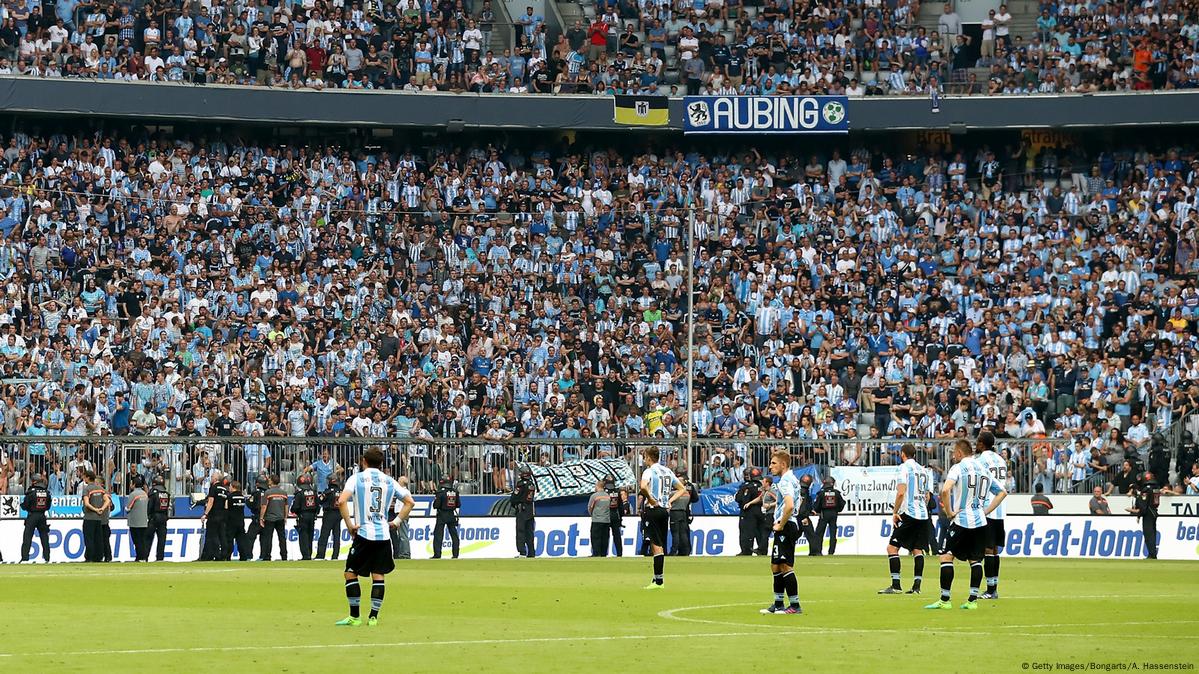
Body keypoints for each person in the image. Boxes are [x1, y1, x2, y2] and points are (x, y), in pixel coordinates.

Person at [335, 447, 415, 626]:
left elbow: (341, 501)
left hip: (363, 533)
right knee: (378, 574)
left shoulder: (356, 478)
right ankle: (373, 617)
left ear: (364, 461)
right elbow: (410, 502)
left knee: (350, 573)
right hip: (383, 535)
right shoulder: (389, 481)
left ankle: (355, 617)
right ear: (381, 463)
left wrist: (349, 525)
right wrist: (397, 521)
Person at [925, 439, 1007, 610]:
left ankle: (945, 600)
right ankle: (972, 600)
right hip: (980, 521)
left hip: (961, 520)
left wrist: (948, 512)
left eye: (955, 453)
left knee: (947, 556)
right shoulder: (984, 469)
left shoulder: (958, 467)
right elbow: (1002, 493)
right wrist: (985, 511)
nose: (954, 456)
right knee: (975, 560)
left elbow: (945, 490)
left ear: (960, 453)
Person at [879, 443, 931, 595]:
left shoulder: (903, 468)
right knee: (917, 550)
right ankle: (916, 586)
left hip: (909, 513)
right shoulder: (923, 470)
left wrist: (895, 512)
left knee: (892, 548)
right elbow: (927, 496)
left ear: (902, 454)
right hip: (923, 515)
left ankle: (896, 585)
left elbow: (901, 492)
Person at [760, 449, 803, 615]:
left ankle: (795, 605)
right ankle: (778, 603)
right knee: (775, 565)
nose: (770, 467)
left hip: (786, 525)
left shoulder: (785, 481)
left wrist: (781, 523)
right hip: (787, 524)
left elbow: (790, 505)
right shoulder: (792, 479)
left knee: (785, 565)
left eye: (773, 463)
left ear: (783, 464)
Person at [638, 446, 684, 589]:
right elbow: (682, 488)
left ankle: (659, 582)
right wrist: (670, 501)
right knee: (659, 545)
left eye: (645, 456)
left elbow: (643, 487)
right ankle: (656, 578)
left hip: (653, 510)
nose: (644, 459)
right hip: (664, 511)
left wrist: (651, 499)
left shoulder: (649, 471)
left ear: (649, 457)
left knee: (656, 546)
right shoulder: (667, 471)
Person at [974, 431, 1007, 599]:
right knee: (994, 550)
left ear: (982, 444)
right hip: (1000, 509)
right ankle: (994, 588)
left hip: (987, 507)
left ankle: (990, 589)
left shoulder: (980, 460)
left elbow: (981, 483)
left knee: (987, 549)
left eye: (978, 441)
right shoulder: (1001, 459)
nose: (976, 444)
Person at [1127, 471, 1160, 559]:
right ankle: (1153, 553)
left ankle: (1152, 554)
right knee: (1152, 533)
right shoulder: (1156, 488)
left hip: (1148, 513)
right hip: (1154, 511)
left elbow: (1143, 506)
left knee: (1148, 534)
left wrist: (1138, 514)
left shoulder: (1146, 489)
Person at [20, 473, 51, 563]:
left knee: (27, 537)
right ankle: (47, 558)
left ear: (34, 481)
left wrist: (26, 507)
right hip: (42, 516)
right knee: (44, 537)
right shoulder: (46, 492)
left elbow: (25, 505)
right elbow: (48, 506)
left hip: (32, 515)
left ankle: (25, 558)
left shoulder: (31, 492)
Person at [669, 468, 700, 556]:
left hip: (675, 511)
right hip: (685, 511)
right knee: (684, 532)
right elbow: (695, 498)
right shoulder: (689, 488)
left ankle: (674, 551)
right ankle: (686, 551)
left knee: (675, 533)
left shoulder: (674, 488)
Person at [199, 469, 229, 561]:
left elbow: (210, 501)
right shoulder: (224, 489)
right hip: (222, 515)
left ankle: (214, 555)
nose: (211, 478)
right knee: (222, 536)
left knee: (212, 536)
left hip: (214, 515)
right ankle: (223, 554)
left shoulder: (214, 487)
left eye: (212, 477)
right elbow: (226, 504)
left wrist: (205, 514)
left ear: (216, 479)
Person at [812, 477, 846, 555]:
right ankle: (831, 552)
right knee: (833, 534)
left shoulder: (821, 493)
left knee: (819, 533)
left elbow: (816, 505)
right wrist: (837, 510)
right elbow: (842, 503)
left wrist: (818, 511)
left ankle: (818, 551)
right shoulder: (836, 493)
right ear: (832, 483)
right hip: (834, 514)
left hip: (824, 513)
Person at [258, 474, 289, 561]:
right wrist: (285, 517)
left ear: (271, 481)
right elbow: (286, 506)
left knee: (268, 538)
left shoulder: (268, 492)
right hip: (280, 518)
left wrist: (261, 518)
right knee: (282, 538)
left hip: (269, 518)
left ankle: (267, 556)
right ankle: (284, 556)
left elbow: (264, 506)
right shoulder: (284, 493)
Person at [81, 470, 110, 563]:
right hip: (99, 518)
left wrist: (95, 509)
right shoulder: (101, 489)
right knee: (98, 539)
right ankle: (99, 557)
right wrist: (101, 509)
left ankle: (89, 557)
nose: (84, 479)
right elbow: (107, 500)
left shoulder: (87, 489)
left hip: (89, 517)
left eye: (84, 477)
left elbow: (86, 503)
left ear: (88, 478)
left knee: (89, 538)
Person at [735, 468, 765, 555]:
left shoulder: (746, 486)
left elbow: (740, 499)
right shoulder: (763, 486)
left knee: (746, 532)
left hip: (748, 512)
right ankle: (762, 550)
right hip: (761, 511)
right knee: (761, 532)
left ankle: (746, 551)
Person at [291, 474, 319, 560]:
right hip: (312, 516)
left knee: (303, 535)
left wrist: (294, 511)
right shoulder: (313, 491)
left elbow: (295, 507)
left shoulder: (299, 492)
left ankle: (305, 555)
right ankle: (309, 554)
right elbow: (318, 505)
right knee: (310, 535)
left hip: (303, 516)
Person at [510, 465, 536, 558]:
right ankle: (531, 552)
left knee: (520, 531)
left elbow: (514, 498)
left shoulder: (520, 484)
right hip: (530, 510)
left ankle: (522, 552)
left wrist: (514, 503)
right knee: (530, 533)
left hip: (522, 510)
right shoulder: (532, 484)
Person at [432, 475, 460, 559]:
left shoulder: (440, 493)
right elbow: (458, 504)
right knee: (454, 535)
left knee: (438, 535)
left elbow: (436, 505)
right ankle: (455, 554)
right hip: (451, 514)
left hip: (442, 514)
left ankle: (437, 554)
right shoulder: (455, 492)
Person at [317, 475, 343, 560]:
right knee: (336, 536)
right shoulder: (341, 492)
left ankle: (320, 555)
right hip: (339, 514)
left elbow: (319, 500)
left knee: (324, 535)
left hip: (329, 514)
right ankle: (335, 555)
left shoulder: (328, 492)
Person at [241, 476, 266, 561]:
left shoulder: (256, 493)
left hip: (257, 518)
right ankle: (264, 556)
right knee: (264, 539)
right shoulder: (268, 492)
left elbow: (249, 503)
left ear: (257, 484)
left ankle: (248, 556)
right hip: (267, 518)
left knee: (250, 538)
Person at [147, 475, 171, 561]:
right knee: (162, 540)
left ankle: (145, 557)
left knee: (148, 539)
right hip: (163, 519)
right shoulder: (166, 494)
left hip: (154, 518)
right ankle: (160, 558)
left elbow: (149, 507)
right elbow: (168, 508)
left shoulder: (153, 493)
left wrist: (149, 516)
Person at [125, 475, 150, 562]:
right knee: (142, 540)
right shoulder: (145, 494)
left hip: (135, 522)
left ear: (134, 484)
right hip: (144, 521)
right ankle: (143, 557)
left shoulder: (133, 494)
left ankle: (140, 557)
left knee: (136, 541)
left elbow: (128, 508)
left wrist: (126, 508)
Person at [588, 479, 613, 557]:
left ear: (597, 486)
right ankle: (603, 553)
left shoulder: (594, 496)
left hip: (597, 520)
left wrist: (592, 514)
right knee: (605, 538)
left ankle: (596, 553)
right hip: (606, 520)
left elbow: (590, 507)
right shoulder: (607, 496)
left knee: (595, 537)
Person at [390, 476, 413, 560]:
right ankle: (403, 553)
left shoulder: (404, 492)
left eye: (399, 480)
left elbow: (404, 506)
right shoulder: (403, 491)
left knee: (403, 535)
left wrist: (400, 516)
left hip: (402, 515)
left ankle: (405, 554)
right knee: (401, 535)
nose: (397, 481)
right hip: (401, 515)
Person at [797, 474, 819, 555]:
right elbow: (802, 505)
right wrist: (805, 514)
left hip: (798, 516)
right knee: (811, 534)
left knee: (796, 535)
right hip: (802, 517)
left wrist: (810, 510)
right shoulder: (804, 491)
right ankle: (815, 552)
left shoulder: (800, 490)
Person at [607, 476, 629, 556]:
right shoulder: (617, 491)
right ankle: (619, 553)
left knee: (605, 536)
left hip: (607, 516)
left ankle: (603, 553)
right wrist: (621, 517)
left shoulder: (605, 492)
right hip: (616, 516)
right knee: (617, 536)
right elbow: (620, 506)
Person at [226, 480, 247, 560]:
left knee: (229, 540)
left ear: (233, 487)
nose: (229, 488)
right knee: (241, 540)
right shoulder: (242, 497)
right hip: (241, 521)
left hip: (231, 521)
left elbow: (226, 507)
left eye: (230, 486)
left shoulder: (230, 497)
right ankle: (243, 557)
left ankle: (227, 557)